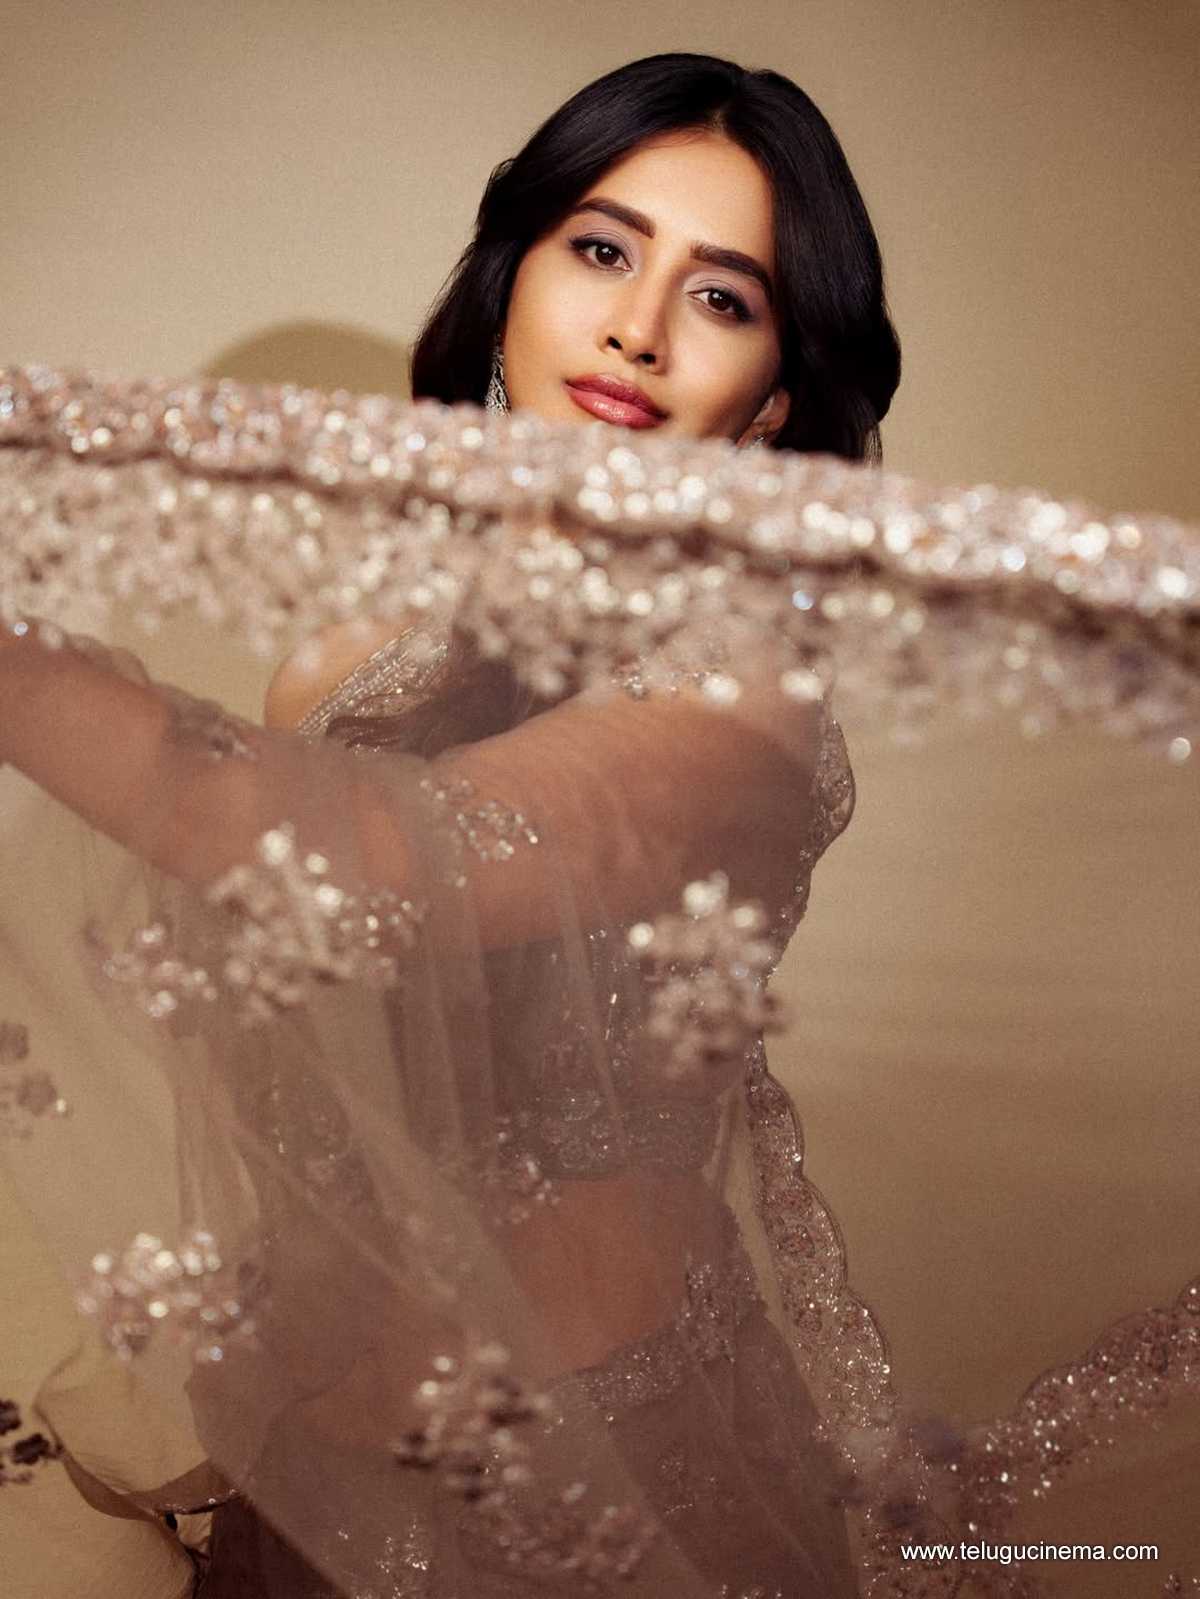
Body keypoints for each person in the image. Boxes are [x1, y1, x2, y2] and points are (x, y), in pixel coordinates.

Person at [1, 52, 1197, 1599]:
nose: (639, 326)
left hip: (597, 1500)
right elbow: (313, 1054)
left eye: (723, 296)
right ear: (511, 280)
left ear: (773, 400)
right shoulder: (346, 661)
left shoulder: (741, 690)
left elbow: (368, 859)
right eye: (604, 249)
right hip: (300, 1483)